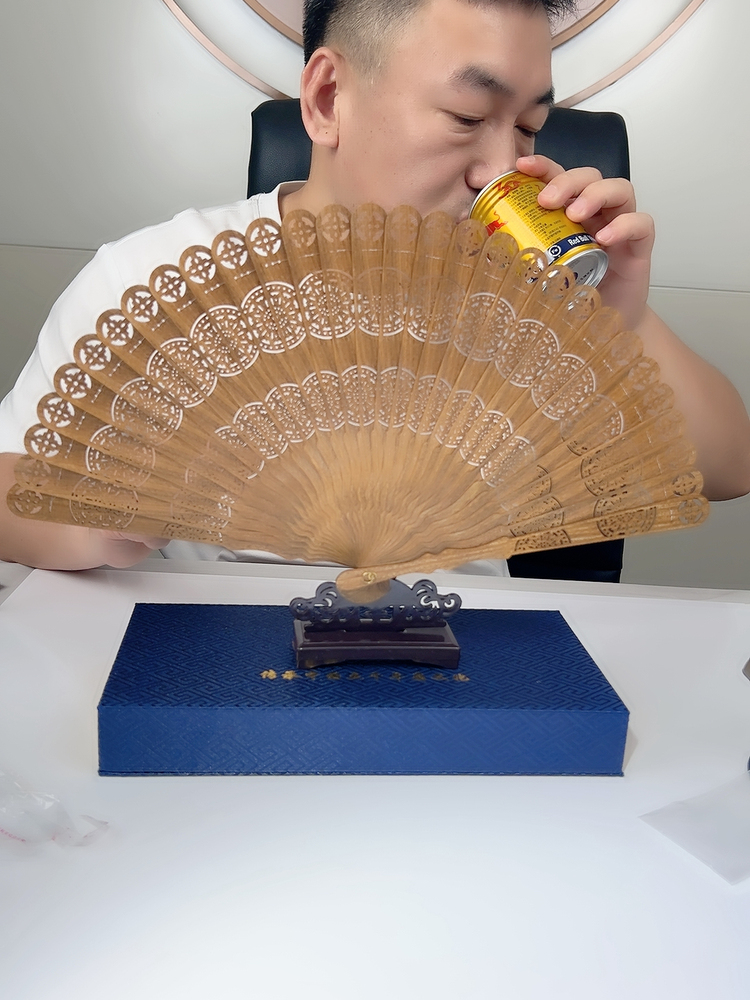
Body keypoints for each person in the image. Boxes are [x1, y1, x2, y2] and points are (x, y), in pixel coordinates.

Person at [1, 0, 749, 571]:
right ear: (328, 100)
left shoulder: (528, 304)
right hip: (209, 673)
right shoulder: (157, 279)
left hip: (456, 677)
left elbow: (727, 470)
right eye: (467, 116)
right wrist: (93, 516)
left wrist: (622, 322)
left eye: (527, 127)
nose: (500, 169)